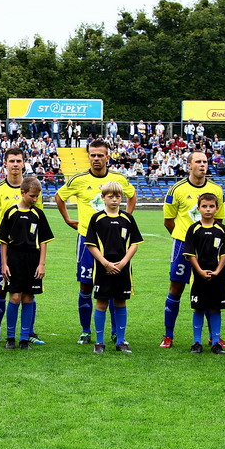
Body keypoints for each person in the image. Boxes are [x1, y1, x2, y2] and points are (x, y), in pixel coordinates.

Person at [55, 139, 136, 345]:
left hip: (114, 243)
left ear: (107, 157)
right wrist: (67, 219)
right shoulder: (78, 179)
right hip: (87, 241)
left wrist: (125, 218)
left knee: (114, 287)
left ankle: (116, 333)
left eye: (100, 155)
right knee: (85, 286)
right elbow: (59, 197)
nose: (96, 158)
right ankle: (85, 331)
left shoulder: (118, 179)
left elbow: (132, 196)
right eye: (93, 155)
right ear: (88, 156)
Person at [160, 151, 225, 349]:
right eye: (198, 161)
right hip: (182, 246)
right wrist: (187, 239)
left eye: (205, 161)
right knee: (176, 288)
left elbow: (219, 220)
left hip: (208, 250)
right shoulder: (176, 189)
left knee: (209, 290)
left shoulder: (216, 190)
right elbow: (168, 221)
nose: (202, 165)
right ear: (189, 165)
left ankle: (213, 337)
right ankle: (168, 335)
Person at [0, 147, 44, 345]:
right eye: (12, 161)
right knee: (1, 289)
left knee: (29, 291)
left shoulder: (34, 189)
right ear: (6, 163)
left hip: (28, 251)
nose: (16, 164)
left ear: (23, 163)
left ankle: (30, 332)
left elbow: (38, 221)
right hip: (4, 249)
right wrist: (5, 240)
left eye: (19, 160)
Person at [83, 181, 142, 354]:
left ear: (122, 198)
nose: (114, 200)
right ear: (103, 198)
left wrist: (123, 262)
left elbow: (134, 244)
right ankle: (99, 342)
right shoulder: (97, 218)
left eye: (117, 196)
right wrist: (105, 263)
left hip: (123, 268)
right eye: (110, 196)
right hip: (102, 268)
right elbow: (91, 245)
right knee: (101, 303)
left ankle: (121, 341)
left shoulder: (127, 219)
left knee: (121, 302)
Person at [0, 177, 54, 351]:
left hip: (32, 259)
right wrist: (4, 264)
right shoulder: (11, 212)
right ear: (22, 193)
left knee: (29, 297)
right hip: (14, 258)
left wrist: (41, 264)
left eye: (37, 196)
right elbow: (3, 241)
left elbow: (44, 240)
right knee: (14, 297)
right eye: (32, 196)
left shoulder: (38, 214)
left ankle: (24, 338)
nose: (35, 199)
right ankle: (10, 337)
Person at [182, 193, 225, 355]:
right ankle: (197, 342)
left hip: (217, 276)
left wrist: (218, 270)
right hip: (198, 275)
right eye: (204, 206)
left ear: (217, 208)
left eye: (211, 206)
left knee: (215, 308)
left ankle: (216, 342)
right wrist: (199, 270)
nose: (208, 209)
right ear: (198, 208)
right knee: (198, 308)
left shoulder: (221, 229)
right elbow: (190, 253)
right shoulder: (194, 229)